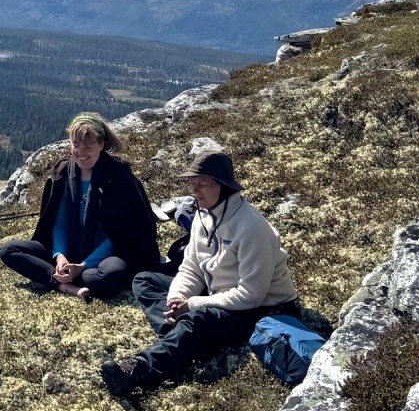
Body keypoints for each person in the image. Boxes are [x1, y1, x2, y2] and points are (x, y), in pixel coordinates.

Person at [101, 151, 300, 397]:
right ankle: (183, 336)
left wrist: (193, 304)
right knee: (145, 280)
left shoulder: (253, 228)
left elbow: (251, 295)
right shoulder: (203, 216)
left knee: (201, 317)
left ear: (223, 185)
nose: (195, 191)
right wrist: (177, 297)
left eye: (202, 184)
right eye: (192, 185)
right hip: (220, 293)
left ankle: (139, 371)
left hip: (265, 309)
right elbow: (191, 267)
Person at [0, 113, 159, 301]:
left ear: (101, 145)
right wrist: (60, 256)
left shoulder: (118, 176)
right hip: (71, 247)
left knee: (109, 276)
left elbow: (119, 234)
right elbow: (59, 224)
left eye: (88, 146)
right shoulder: (63, 172)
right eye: (76, 145)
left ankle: (56, 277)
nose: (81, 152)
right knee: (9, 251)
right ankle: (65, 285)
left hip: (108, 251)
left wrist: (83, 265)